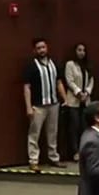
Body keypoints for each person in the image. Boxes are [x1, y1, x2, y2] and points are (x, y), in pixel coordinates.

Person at [23, 37, 66, 171]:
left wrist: (65, 99)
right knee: (34, 133)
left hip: (53, 103)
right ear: (34, 50)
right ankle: (33, 160)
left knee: (53, 132)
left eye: (43, 47)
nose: (42, 50)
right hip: (38, 105)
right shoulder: (31, 66)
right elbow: (27, 87)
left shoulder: (54, 63)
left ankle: (54, 158)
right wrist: (28, 107)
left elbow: (59, 82)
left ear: (47, 48)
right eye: (39, 48)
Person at [63, 43, 94, 161]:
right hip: (73, 100)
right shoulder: (70, 64)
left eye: (84, 50)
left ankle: (85, 151)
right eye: (79, 50)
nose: (81, 52)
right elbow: (69, 80)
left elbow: (91, 80)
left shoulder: (87, 65)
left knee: (85, 127)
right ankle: (75, 152)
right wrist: (78, 92)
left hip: (85, 100)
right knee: (74, 127)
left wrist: (87, 92)